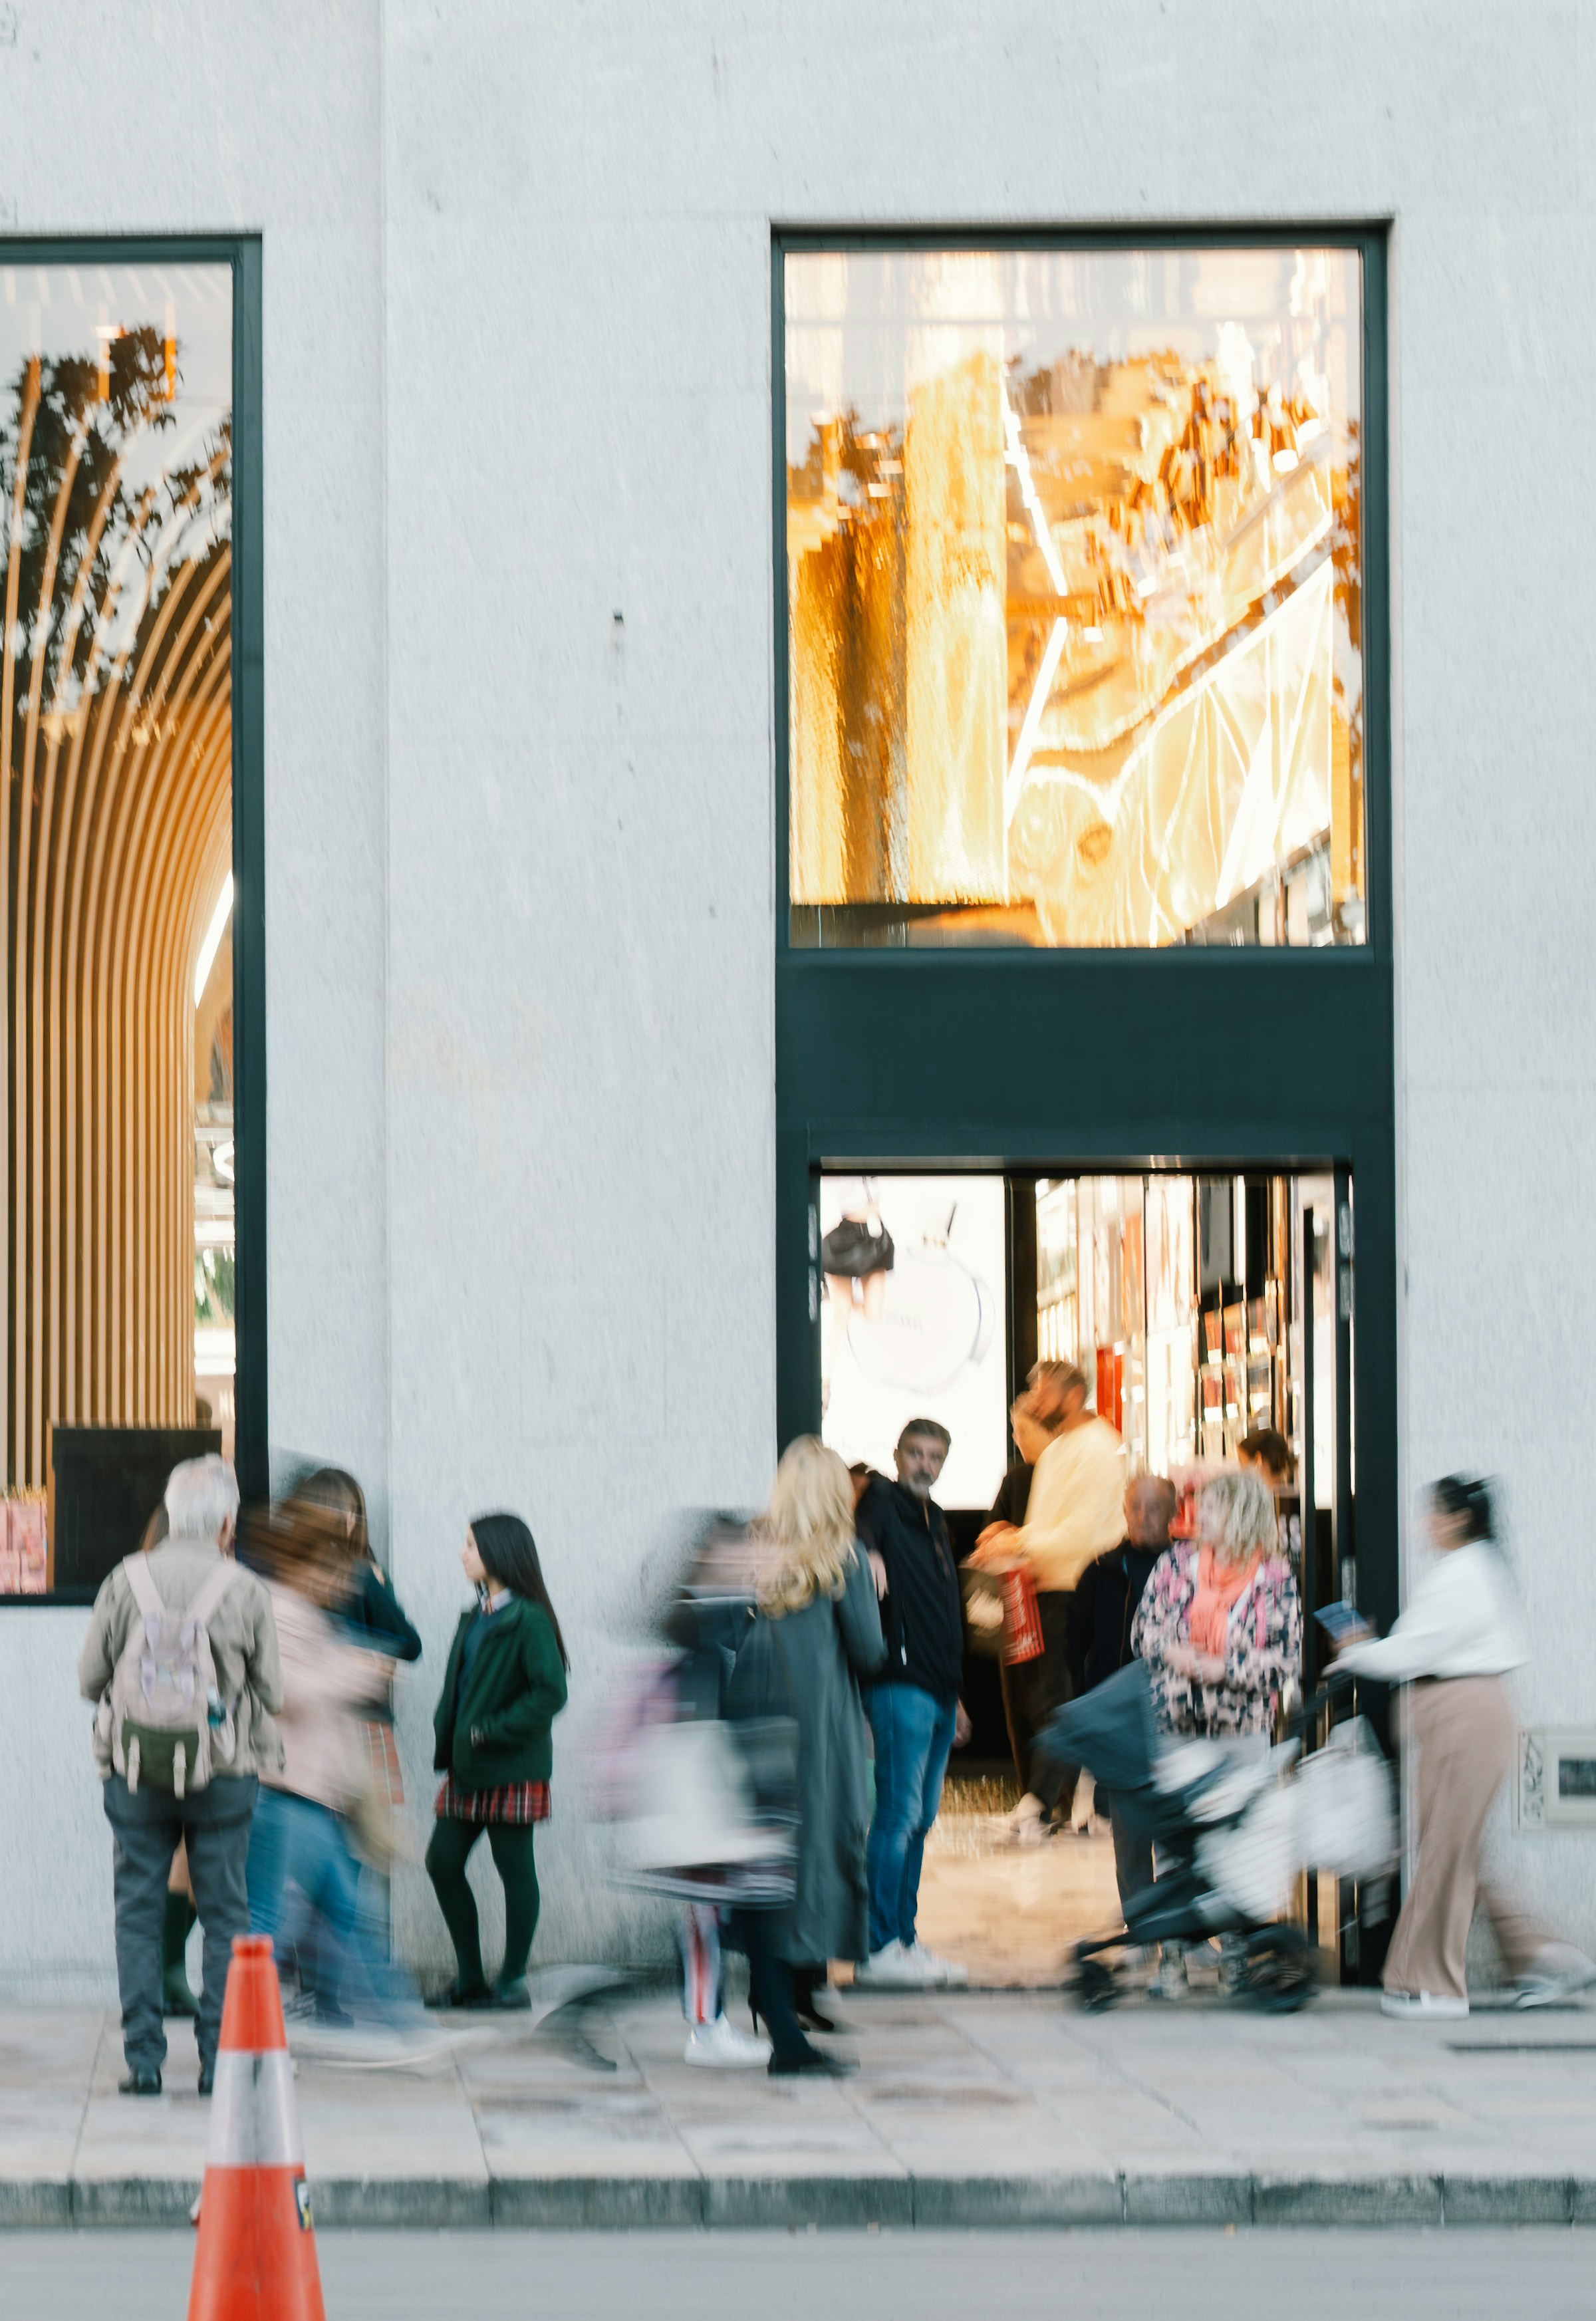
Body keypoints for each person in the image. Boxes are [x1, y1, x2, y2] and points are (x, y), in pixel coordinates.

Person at [1335, 1476, 1596, 2020]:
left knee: (1447, 1852)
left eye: (1433, 1513)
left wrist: (1357, 1652)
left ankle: (1435, 1987)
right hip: (1463, 1718)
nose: (1425, 1523)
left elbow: (1417, 1650)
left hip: (1463, 1719)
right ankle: (1541, 1957)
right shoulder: (1473, 1569)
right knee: (1462, 1852)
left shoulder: (1465, 1573)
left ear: (1458, 1519)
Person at [78, 1455, 283, 2098]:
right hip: (222, 1773)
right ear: (227, 1522)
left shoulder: (125, 1579)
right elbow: (273, 1691)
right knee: (225, 1914)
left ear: (170, 1514)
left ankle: (143, 2060)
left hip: (137, 1771)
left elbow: (89, 1680)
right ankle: (218, 2063)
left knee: (137, 1912)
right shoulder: (244, 1588)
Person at [240, 1488, 422, 2046]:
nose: (343, 1584)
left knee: (343, 1919)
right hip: (281, 1794)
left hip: (307, 1795)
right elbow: (282, 1691)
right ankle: (237, 2039)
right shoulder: (277, 1607)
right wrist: (357, 1672)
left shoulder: (299, 1611)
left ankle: (409, 2029)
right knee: (269, 1929)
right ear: (306, 1561)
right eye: (335, 1570)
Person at [732, 1436, 884, 2074]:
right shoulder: (843, 1557)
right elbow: (870, 1652)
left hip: (758, 1726)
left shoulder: (754, 1553)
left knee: (770, 1869)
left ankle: (780, 2003)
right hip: (822, 1731)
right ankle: (792, 2016)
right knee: (822, 1856)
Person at [968, 1363, 1125, 1840]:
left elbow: (1078, 1534)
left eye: (1043, 1391)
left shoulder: (1097, 1450)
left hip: (1080, 1590)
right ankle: (1069, 1801)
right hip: (1046, 1589)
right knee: (1047, 1702)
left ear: (1073, 1395)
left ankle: (1040, 1806)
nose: (1034, 1400)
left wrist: (1017, 1543)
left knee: (1057, 1702)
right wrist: (1013, 1541)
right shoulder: (1060, 1451)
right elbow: (1045, 1525)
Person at [427, 1513, 569, 2010]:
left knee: (514, 1869)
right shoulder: (475, 1615)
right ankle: (470, 1980)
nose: (463, 1553)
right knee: (441, 1863)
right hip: (468, 1766)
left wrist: (493, 1730)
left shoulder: (528, 1619)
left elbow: (550, 1693)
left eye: (470, 1545)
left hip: (510, 1765)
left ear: (498, 1553)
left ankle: (512, 1982)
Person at [855, 1419, 969, 1988]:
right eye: (916, 1454)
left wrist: (957, 1695)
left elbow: (944, 1611)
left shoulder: (937, 1520)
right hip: (901, 1685)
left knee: (919, 1821)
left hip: (939, 1690)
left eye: (935, 1457)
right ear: (897, 1454)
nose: (925, 1465)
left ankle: (904, 1939)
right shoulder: (882, 1499)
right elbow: (860, 1531)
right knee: (898, 1817)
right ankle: (878, 1947)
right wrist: (870, 1553)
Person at [1131, 1466, 1302, 1740]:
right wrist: (1171, 1653)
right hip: (1173, 1729)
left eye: (1211, 1508)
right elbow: (1142, 1630)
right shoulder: (1176, 1563)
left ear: (1240, 1514)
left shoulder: (1274, 1580)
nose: (1201, 1516)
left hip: (1241, 1733)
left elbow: (1285, 1660)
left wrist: (1227, 1669)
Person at [1072, 1474, 1177, 1907]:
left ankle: (1178, 1933)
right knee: (1130, 1835)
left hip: (1175, 1719)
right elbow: (1076, 1647)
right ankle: (1141, 1926)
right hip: (1122, 1721)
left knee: (1174, 1834)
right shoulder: (1102, 1571)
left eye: (1153, 1508)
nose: (1142, 1517)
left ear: (1173, 1513)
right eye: (1135, 1506)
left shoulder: (1188, 1568)